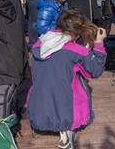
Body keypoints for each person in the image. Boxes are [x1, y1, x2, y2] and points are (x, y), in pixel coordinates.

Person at [27, 9, 107, 149]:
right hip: (64, 113)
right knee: (90, 114)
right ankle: (67, 130)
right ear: (77, 29)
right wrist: (99, 44)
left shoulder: (39, 44)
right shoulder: (75, 50)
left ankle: (57, 122)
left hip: (38, 114)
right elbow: (96, 71)